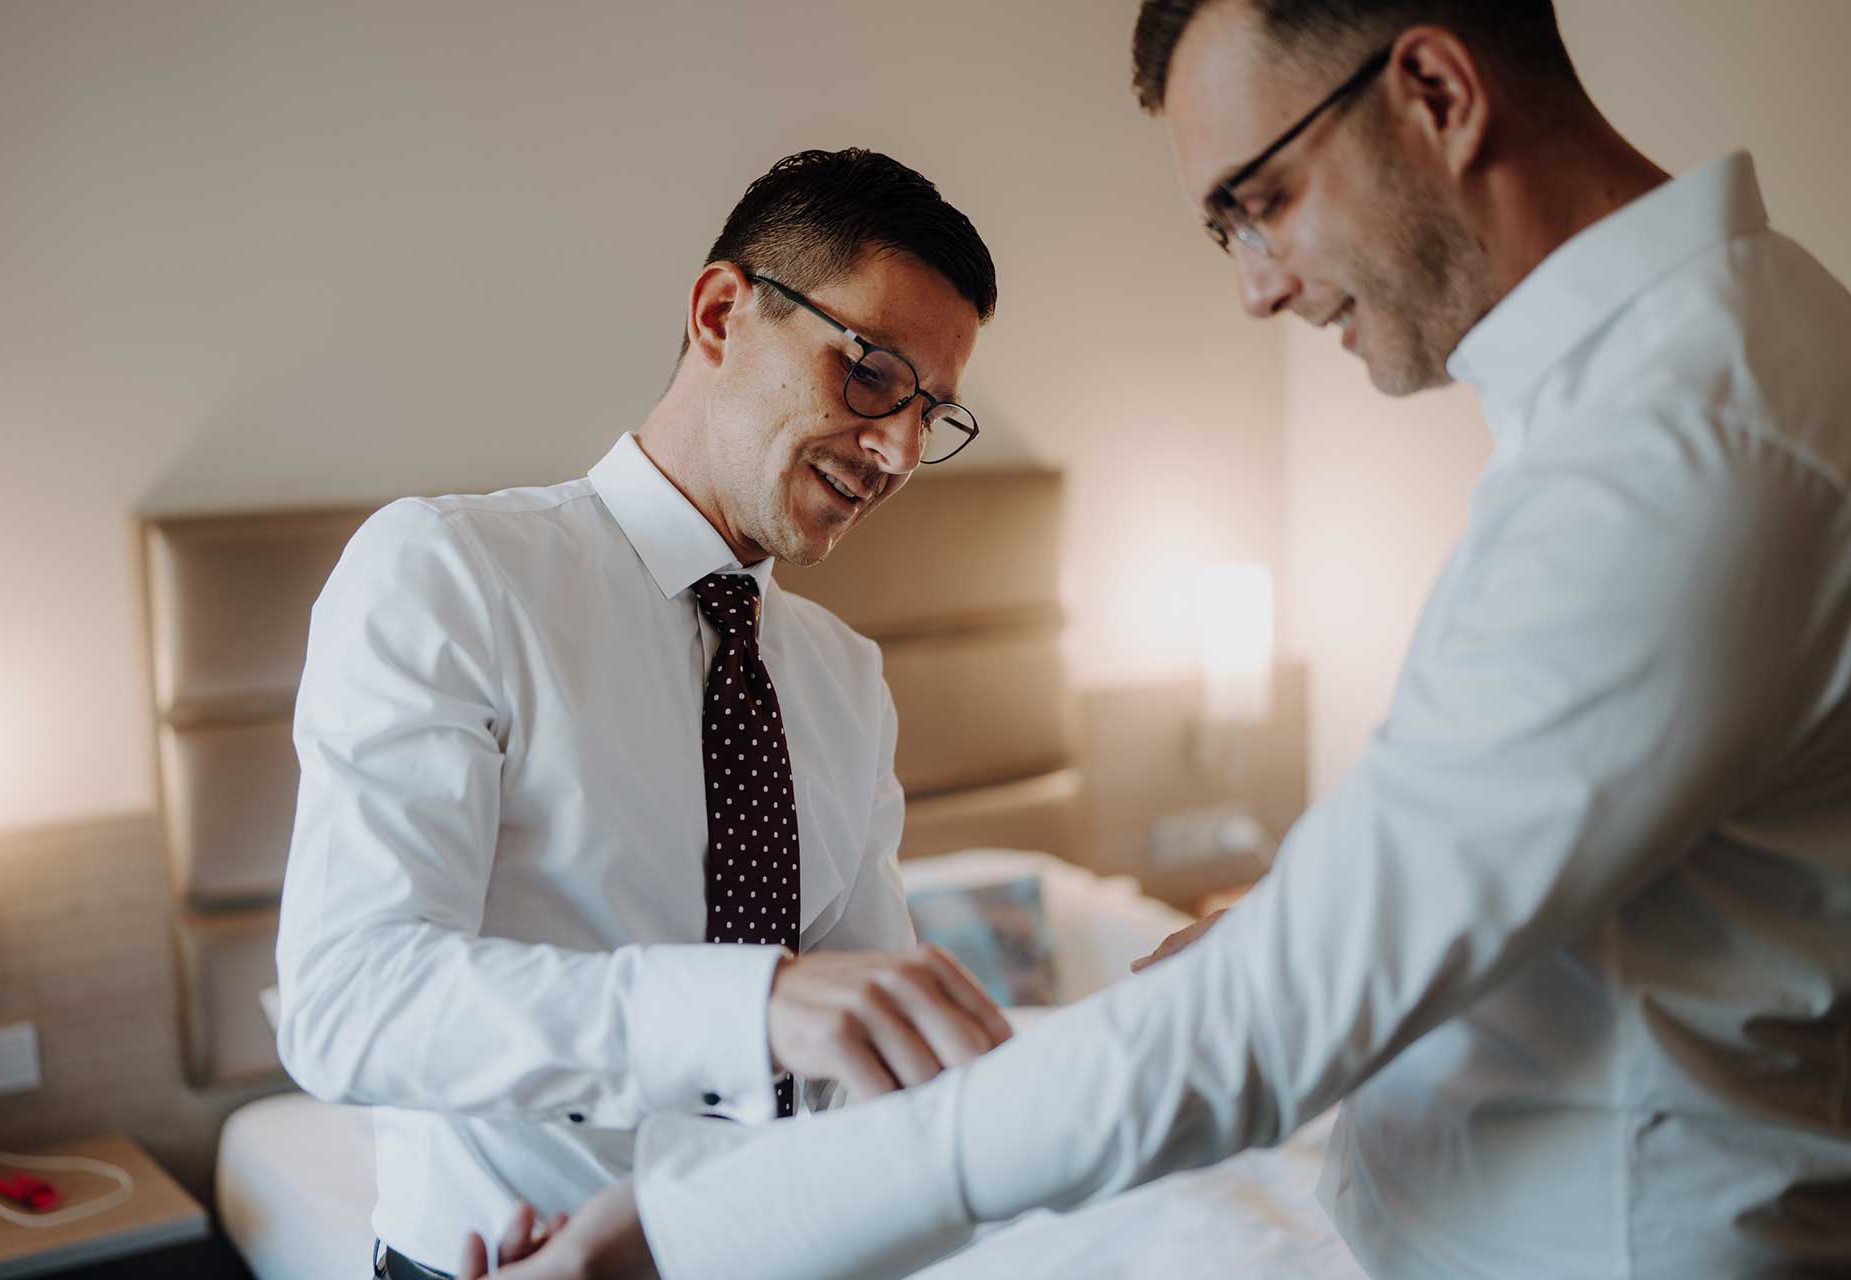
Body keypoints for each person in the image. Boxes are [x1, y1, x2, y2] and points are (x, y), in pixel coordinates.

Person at [466, 1, 1851, 1276]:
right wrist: (1304, 912)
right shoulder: (1694, 389)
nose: (1259, 287)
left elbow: (1262, 1027)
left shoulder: (1688, 446)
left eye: (1262, 202)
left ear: (1433, 90)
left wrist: (667, 1233)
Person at [273, 146, 1016, 1279]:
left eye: (934, 413)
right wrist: (751, 1003)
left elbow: (872, 1056)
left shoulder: (844, 679)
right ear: (722, 312)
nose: (901, 451)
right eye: (871, 373)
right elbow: (349, 1000)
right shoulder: (451, 574)